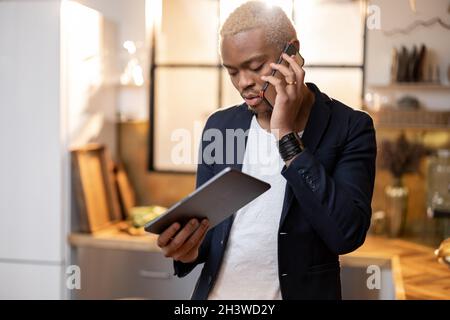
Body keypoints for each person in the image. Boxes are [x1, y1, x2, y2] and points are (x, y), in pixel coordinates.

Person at [156, 1, 376, 300]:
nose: (243, 83)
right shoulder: (220, 127)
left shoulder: (350, 127)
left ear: (292, 53)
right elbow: (209, 234)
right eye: (232, 72)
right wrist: (188, 250)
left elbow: (346, 235)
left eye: (256, 67)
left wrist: (284, 134)